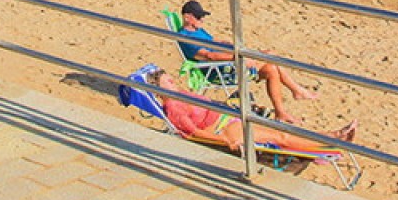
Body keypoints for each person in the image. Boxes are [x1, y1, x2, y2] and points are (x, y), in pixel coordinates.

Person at [177, 0, 319, 124]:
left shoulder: (197, 31)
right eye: (199, 17)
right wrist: (238, 57)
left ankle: (281, 111)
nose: (202, 20)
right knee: (270, 57)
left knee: (271, 69)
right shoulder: (186, 37)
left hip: (228, 64)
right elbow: (209, 56)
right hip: (219, 71)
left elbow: (213, 41)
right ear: (187, 17)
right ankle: (296, 91)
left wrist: (231, 45)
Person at [150, 67, 356, 152]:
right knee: (279, 138)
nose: (174, 82)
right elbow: (192, 133)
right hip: (223, 129)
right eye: (168, 82)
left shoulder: (180, 96)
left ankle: (325, 140)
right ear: (159, 90)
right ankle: (330, 143)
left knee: (278, 131)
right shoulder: (173, 106)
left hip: (227, 119)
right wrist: (225, 141)